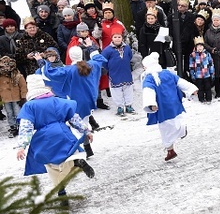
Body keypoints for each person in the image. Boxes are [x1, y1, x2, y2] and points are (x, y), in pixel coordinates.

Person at [16, 74, 95, 205]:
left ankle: (61, 193)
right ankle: (76, 161)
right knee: (68, 154)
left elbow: (26, 127)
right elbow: (74, 118)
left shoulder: (29, 107)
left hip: (44, 138)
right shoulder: (57, 101)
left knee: (51, 165)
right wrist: (86, 131)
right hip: (62, 132)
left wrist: (22, 146)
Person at [141, 52, 198, 161]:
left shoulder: (149, 79)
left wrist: (151, 104)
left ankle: (175, 140)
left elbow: (148, 92)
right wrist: (191, 88)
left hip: (163, 108)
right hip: (175, 104)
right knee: (175, 122)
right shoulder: (167, 73)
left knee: (165, 129)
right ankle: (171, 148)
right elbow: (180, 82)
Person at [100, 32, 135, 116]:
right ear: (112, 38)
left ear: (122, 38)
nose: (117, 39)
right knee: (116, 91)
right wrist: (109, 69)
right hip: (114, 74)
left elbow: (129, 56)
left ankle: (128, 105)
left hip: (126, 73)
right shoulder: (107, 50)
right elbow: (103, 61)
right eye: (115, 37)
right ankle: (120, 107)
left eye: (119, 37)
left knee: (128, 90)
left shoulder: (126, 48)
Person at [0, 55, 27, 137]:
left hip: (16, 98)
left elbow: (23, 87)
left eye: (8, 65)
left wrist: (23, 97)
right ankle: (13, 127)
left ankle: (20, 126)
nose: (6, 68)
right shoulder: (1, 77)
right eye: (4, 65)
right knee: (9, 113)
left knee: (17, 112)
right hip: (6, 98)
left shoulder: (18, 76)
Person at [188, 37, 215, 103]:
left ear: (203, 47)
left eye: (201, 46)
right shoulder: (193, 55)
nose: (200, 48)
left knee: (208, 87)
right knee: (200, 88)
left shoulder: (207, 54)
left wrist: (212, 73)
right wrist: (192, 74)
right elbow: (191, 66)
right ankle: (201, 99)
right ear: (196, 47)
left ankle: (209, 98)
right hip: (198, 75)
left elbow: (211, 64)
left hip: (206, 74)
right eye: (198, 46)